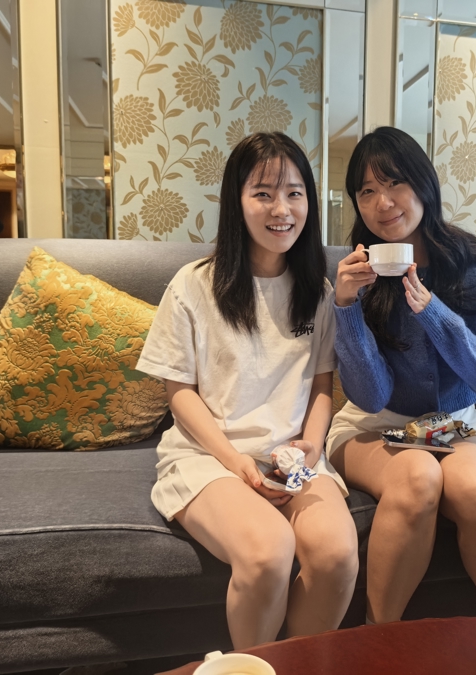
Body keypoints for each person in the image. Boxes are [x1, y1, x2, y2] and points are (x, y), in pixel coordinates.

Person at [136, 132, 358, 650]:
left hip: (292, 458)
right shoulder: (193, 285)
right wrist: (234, 460)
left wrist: (311, 447)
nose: (282, 209)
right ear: (236, 202)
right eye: (263, 193)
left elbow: (321, 385)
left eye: (295, 193)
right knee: (268, 551)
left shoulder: (317, 291)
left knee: (337, 556)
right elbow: (179, 392)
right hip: (209, 456)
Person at [327, 126, 476, 624]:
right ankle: (380, 639)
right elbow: (371, 397)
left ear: (424, 184)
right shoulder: (359, 275)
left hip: (454, 424)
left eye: (394, 182)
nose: (382, 203)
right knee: (418, 476)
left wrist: (435, 314)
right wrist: (346, 307)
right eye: (366, 191)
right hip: (373, 426)